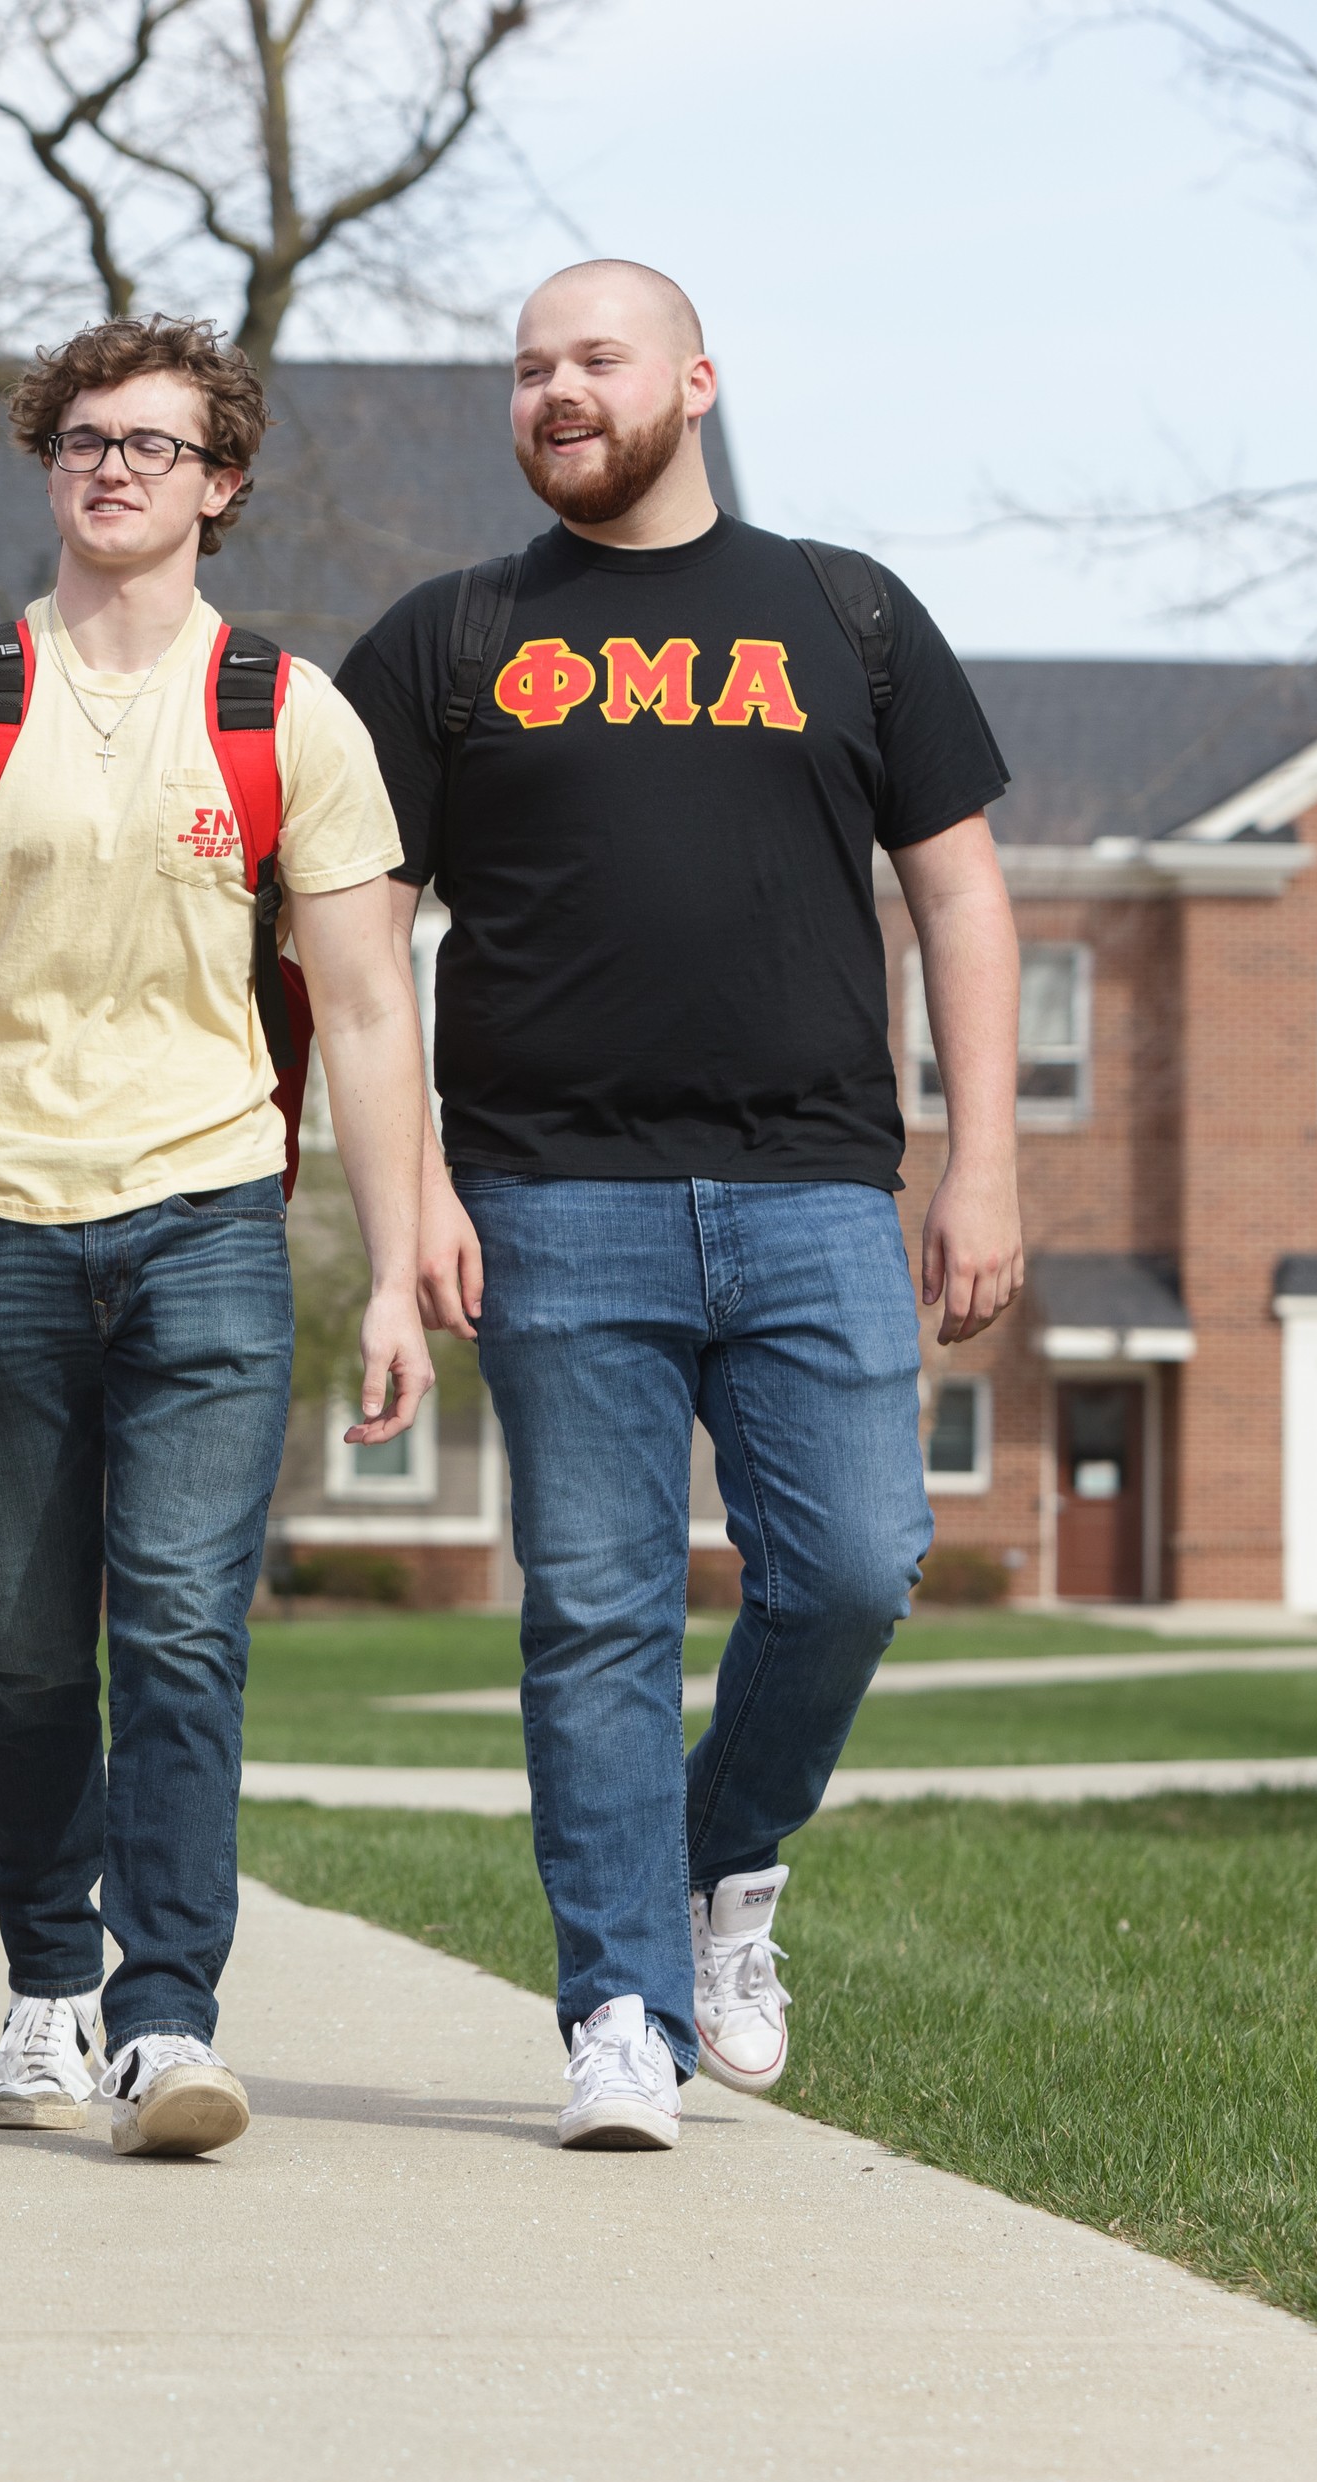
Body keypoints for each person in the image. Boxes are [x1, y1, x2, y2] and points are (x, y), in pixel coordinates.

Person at [335, 261, 1025, 2149]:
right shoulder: (447, 637)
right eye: (529, 367)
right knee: (600, 1618)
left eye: (596, 359)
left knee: (858, 1567)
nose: (555, 391)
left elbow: (960, 897)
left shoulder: (848, 614)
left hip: (816, 1187)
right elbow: (361, 953)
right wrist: (413, 1203)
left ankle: (724, 1861)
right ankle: (617, 2010)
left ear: (695, 380)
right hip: (553, 1201)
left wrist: (987, 1154)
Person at [0, 316, 433, 2159]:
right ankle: (45, 1988)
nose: (112, 466)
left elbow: (366, 1011)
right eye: (82, 440)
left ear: (222, 483)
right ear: (51, 467)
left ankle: (168, 2016)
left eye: (154, 443)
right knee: (34, 1647)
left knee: (189, 1635)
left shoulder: (289, 714)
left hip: (211, 1217)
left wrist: (390, 1263)